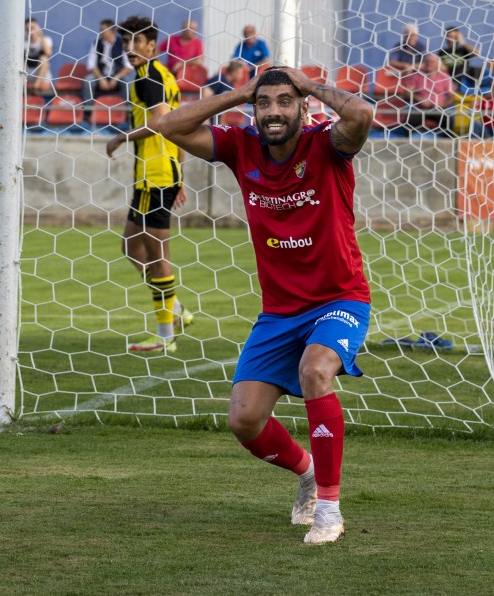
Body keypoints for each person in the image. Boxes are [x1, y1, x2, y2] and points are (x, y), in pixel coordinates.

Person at [157, 65, 375, 545]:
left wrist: (310, 83)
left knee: (315, 370)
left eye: (284, 102)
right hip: (278, 312)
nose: (273, 111)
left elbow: (360, 112)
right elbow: (168, 126)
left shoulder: (327, 145)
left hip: (340, 298)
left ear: (301, 106)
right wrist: (241, 92)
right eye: (264, 103)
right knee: (244, 419)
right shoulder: (242, 148)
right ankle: (307, 472)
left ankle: (329, 510)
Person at [105, 15, 193, 353]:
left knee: (156, 255)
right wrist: (180, 178)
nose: (130, 49)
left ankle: (165, 335)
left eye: (136, 42)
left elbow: (160, 122)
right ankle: (176, 310)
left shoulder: (146, 79)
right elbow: (179, 126)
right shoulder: (164, 75)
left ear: (152, 45)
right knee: (131, 246)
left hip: (154, 177)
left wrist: (121, 137)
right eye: (125, 43)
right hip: (161, 175)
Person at [404, 52, 456, 135]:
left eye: (432, 62)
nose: (429, 64)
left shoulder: (444, 77)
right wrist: (419, 99)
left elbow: (452, 97)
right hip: (420, 109)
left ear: (437, 64)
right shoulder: (417, 75)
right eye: (427, 61)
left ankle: (447, 145)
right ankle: (408, 142)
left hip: (438, 109)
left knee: (448, 121)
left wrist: (441, 106)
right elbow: (407, 93)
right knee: (410, 121)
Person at [84, 18, 131, 101]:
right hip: (101, 75)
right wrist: (101, 78)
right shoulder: (96, 43)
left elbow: (128, 66)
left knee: (127, 82)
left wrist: (116, 77)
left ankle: (127, 110)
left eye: (102, 30)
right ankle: (88, 110)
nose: (100, 32)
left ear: (112, 31)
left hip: (117, 75)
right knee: (88, 81)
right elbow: (91, 65)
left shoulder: (122, 43)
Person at [437, 25, 480, 92]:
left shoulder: (463, 50)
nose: (451, 39)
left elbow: (477, 52)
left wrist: (462, 42)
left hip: (463, 82)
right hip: (448, 82)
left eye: (454, 36)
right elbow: (439, 66)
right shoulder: (442, 52)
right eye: (449, 36)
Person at [24, 17, 53, 94]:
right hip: (28, 72)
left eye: (33, 28)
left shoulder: (46, 40)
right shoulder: (23, 43)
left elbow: (48, 53)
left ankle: (36, 86)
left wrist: (41, 35)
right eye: (28, 29)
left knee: (44, 59)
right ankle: (22, 86)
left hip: (41, 75)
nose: (31, 31)